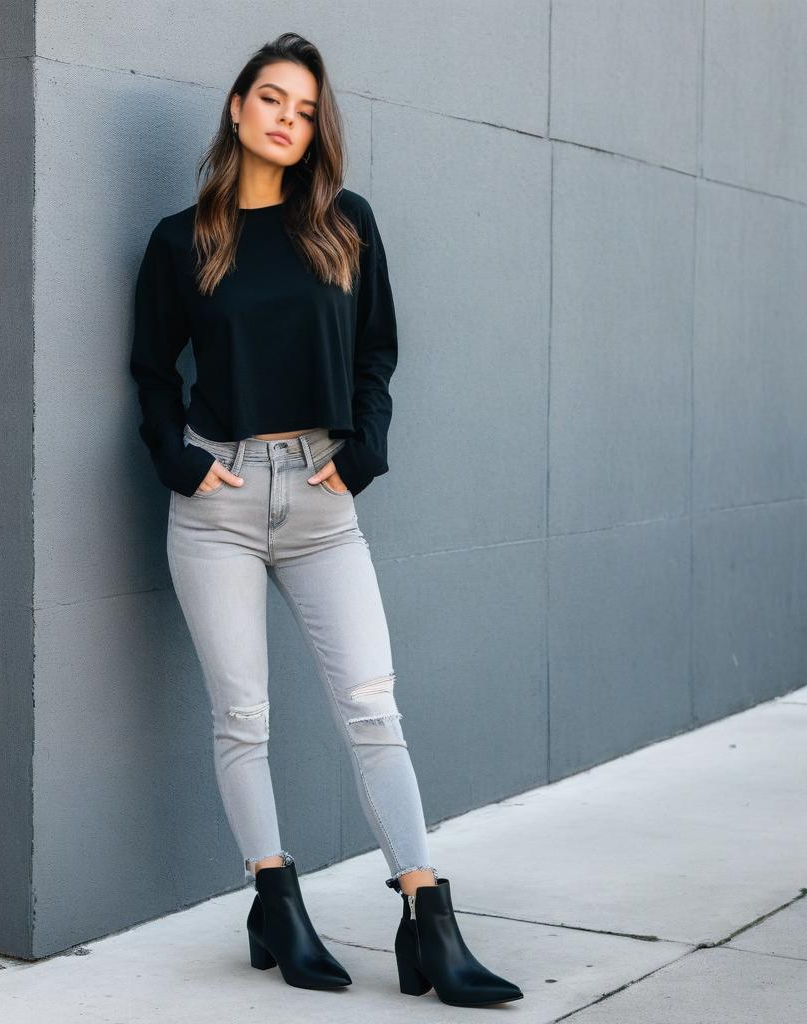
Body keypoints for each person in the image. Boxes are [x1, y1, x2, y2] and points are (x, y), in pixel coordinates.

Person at [129, 31, 522, 1008]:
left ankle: (425, 913)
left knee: (371, 707)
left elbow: (377, 353)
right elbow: (148, 371)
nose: (287, 121)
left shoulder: (343, 225)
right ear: (235, 108)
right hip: (216, 501)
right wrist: (178, 460)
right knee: (243, 717)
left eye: (305, 111)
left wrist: (362, 454)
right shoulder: (183, 241)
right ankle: (275, 896)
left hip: (317, 494)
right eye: (272, 100)